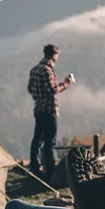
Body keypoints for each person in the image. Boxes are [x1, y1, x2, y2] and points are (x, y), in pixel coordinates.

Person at [28, 44, 73, 182]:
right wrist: (66, 83)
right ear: (54, 55)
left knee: (37, 140)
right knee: (50, 142)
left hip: (39, 109)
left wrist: (38, 97)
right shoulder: (47, 70)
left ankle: (35, 166)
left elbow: (30, 88)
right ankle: (50, 171)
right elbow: (52, 90)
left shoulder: (34, 69)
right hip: (49, 110)